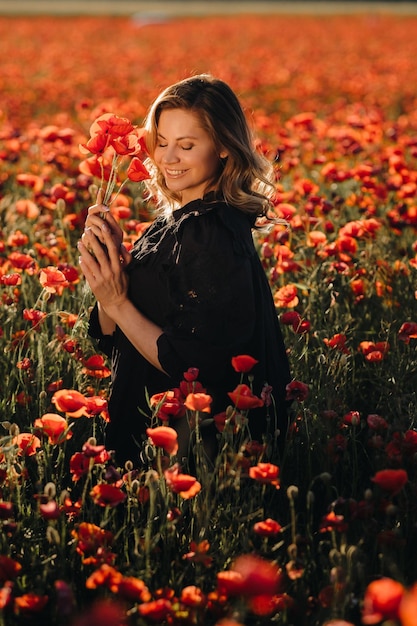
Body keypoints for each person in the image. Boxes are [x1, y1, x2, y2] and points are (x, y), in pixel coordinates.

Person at [78, 74, 291, 468]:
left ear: (225, 147)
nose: (167, 158)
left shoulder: (209, 233)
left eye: (187, 145)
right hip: (155, 433)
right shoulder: (177, 222)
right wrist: (112, 268)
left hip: (184, 454)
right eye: (161, 142)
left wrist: (117, 300)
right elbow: (114, 342)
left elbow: (197, 365)